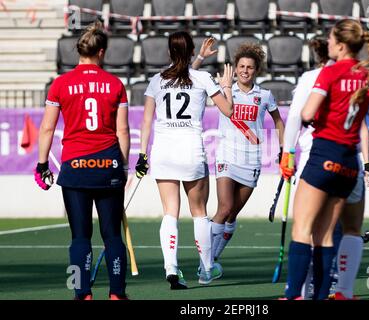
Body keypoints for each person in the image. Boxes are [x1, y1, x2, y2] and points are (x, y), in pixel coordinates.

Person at [279, 19, 369, 300]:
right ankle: (336, 293)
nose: (327, 43)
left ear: (340, 45)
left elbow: (306, 113)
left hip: (324, 155)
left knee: (303, 231)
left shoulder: (329, 73)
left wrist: (310, 117)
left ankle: (293, 296)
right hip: (350, 163)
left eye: (330, 39)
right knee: (332, 233)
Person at [34, 21, 130, 300]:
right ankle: (117, 294)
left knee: (79, 236)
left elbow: (47, 129)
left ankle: (82, 292)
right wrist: (122, 168)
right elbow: (122, 130)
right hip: (107, 165)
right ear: (101, 52)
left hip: (75, 166)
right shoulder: (115, 84)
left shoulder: (60, 84)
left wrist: (42, 165)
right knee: (112, 236)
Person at [135, 31, 234, 289]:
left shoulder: (156, 81)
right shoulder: (202, 78)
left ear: (169, 53)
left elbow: (146, 121)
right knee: (199, 213)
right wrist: (225, 85)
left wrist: (142, 154)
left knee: (170, 212)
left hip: (163, 152)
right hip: (190, 151)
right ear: (191, 52)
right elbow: (228, 110)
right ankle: (208, 267)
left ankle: (171, 268)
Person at [195, 40, 285, 274]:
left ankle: (212, 257)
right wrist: (202, 58)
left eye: (250, 67)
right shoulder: (225, 89)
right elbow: (191, 79)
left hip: (251, 160)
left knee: (233, 214)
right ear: (235, 68)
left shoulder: (264, 95)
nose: (245, 71)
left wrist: (284, 148)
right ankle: (206, 263)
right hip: (226, 155)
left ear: (256, 70)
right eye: (241, 66)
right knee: (223, 208)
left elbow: (278, 121)